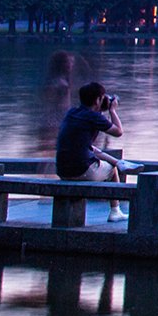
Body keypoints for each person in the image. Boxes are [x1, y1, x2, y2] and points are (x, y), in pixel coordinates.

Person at [54, 82, 134, 220]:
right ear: (98, 100)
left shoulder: (72, 113)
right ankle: (115, 211)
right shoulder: (94, 117)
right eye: (102, 98)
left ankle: (120, 162)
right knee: (112, 170)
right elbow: (118, 132)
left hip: (62, 171)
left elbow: (89, 147)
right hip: (81, 171)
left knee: (94, 151)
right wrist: (112, 110)